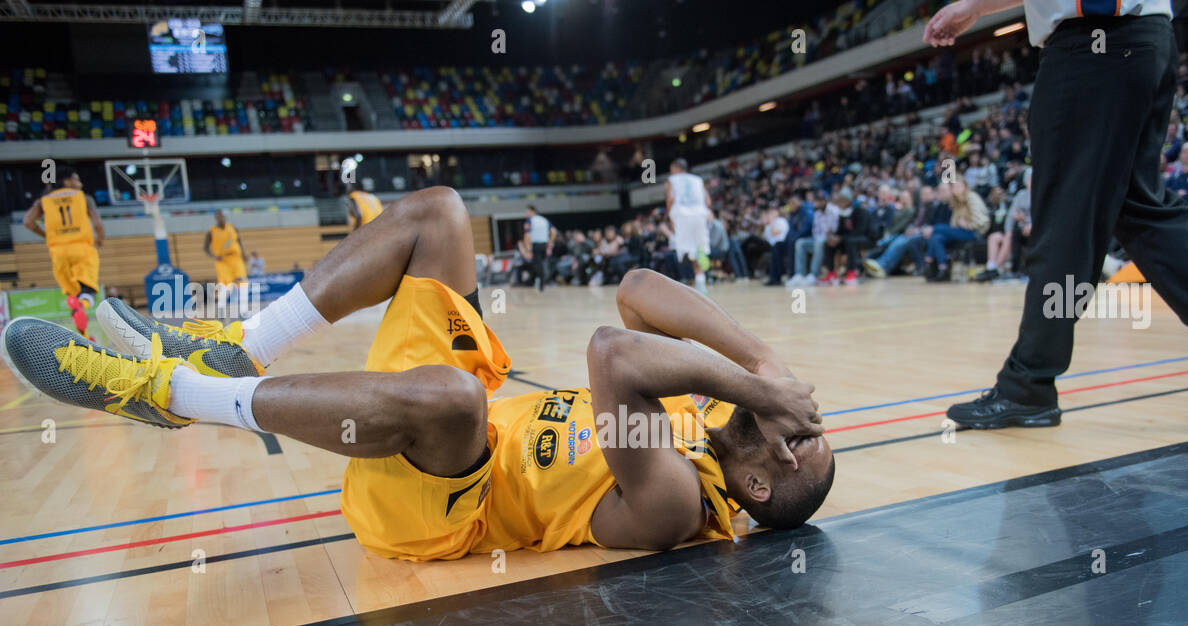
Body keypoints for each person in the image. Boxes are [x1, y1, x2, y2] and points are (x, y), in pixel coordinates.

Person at [3, 187, 834, 559]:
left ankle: (170, 392)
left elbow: (613, 351)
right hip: (431, 423)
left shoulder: (677, 503)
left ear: (760, 487)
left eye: (800, 443)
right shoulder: (702, 409)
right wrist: (762, 360)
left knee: (458, 394)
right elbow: (637, 291)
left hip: (437, 505)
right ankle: (238, 352)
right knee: (437, 214)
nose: (797, 423)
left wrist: (757, 389)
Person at [925, 0, 1188, 428]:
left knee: (1065, 220)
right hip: (1142, 39)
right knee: (1140, 210)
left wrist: (971, 6)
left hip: (1094, 43)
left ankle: (1028, 383)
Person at [22, 165, 104, 338]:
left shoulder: (43, 200)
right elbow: (97, 224)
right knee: (88, 291)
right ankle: (82, 306)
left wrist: (45, 235)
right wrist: (100, 238)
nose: (79, 183)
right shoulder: (84, 197)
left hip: (58, 250)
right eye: (76, 179)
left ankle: (84, 335)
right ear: (66, 180)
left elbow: (28, 222)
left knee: (73, 294)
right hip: (82, 247)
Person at [665, 158, 713, 294]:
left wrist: (670, 215)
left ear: (675, 169)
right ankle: (701, 281)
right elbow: (708, 201)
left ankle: (692, 271)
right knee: (700, 247)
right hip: (699, 215)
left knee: (685, 249)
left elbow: (671, 198)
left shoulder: (672, 180)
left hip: (682, 215)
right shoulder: (698, 180)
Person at [204, 210, 248, 295]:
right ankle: (222, 306)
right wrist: (213, 256)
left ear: (225, 217)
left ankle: (244, 306)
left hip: (236, 258)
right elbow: (205, 248)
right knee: (226, 285)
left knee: (242, 281)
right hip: (222, 260)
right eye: (218, 217)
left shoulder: (232, 228)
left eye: (222, 216)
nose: (221, 218)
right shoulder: (211, 231)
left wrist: (244, 253)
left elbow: (239, 241)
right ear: (216, 218)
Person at [524, 204, 556, 291]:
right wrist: (550, 243)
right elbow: (554, 232)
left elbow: (527, 235)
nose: (526, 213)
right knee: (542, 263)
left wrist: (528, 248)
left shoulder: (529, 221)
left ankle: (539, 282)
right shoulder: (544, 220)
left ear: (532, 211)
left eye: (527, 211)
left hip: (535, 245)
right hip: (544, 245)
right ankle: (540, 281)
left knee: (537, 265)